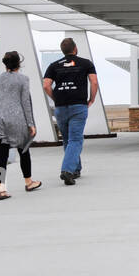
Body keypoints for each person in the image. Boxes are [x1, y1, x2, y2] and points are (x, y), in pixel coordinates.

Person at [42, 37, 98, 186]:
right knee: (75, 139)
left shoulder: (54, 65)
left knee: (68, 140)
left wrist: (56, 98)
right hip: (78, 105)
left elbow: (46, 85)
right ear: (75, 49)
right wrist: (91, 99)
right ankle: (67, 170)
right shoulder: (86, 63)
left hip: (60, 107)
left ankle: (76, 169)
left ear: (63, 50)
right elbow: (94, 82)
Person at [0, 51, 41, 200]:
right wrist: (31, 123)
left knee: (1, 155)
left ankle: (1, 189)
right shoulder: (23, 79)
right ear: (19, 63)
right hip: (17, 119)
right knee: (24, 151)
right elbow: (25, 102)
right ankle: (29, 182)